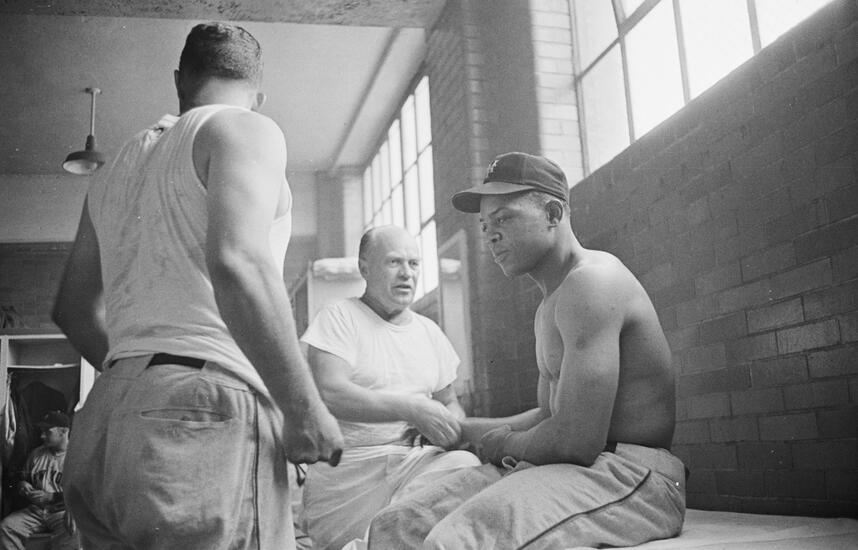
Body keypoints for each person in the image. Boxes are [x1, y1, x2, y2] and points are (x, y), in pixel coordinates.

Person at [51, 22, 343, 549]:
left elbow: (71, 310)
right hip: (200, 411)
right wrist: (304, 407)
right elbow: (239, 262)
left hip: (105, 415)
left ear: (179, 81)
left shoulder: (114, 168)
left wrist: (145, 379)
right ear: (258, 94)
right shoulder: (245, 128)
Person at [367, 152, 685, 549]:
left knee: (456, 541)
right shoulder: (551, 302)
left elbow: (576, 440)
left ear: (553, 213)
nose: (490, 236)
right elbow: (551, 417)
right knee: (397, 525)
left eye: (503, 219)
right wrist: (463, 431)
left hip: (632, 475)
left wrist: (500, 443)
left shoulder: (592, 282)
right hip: (573, 466)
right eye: (485, 225)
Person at [299, 225, 481, 550]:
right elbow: (330, 392)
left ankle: (382, 539)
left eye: (414, 263)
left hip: (414, 465)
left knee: (465, 466)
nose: (407, 273)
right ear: (365, 268)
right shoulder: (339, 317)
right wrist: (413, 409)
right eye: (394, 262)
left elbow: (450, 402)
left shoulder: (429, 332)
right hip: (350, 474)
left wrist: (447, 424)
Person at [0, 411, 79, 550]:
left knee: (73, 531)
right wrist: (22, 485)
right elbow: (22, 478)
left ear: (63, 431)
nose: (42, 436)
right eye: (42, 431)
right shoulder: (36, 453)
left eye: (47, 431)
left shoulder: (77, 456)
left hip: (62, 512)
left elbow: (83, 494)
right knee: (7, 527)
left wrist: (52, 497)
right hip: (35, 512)